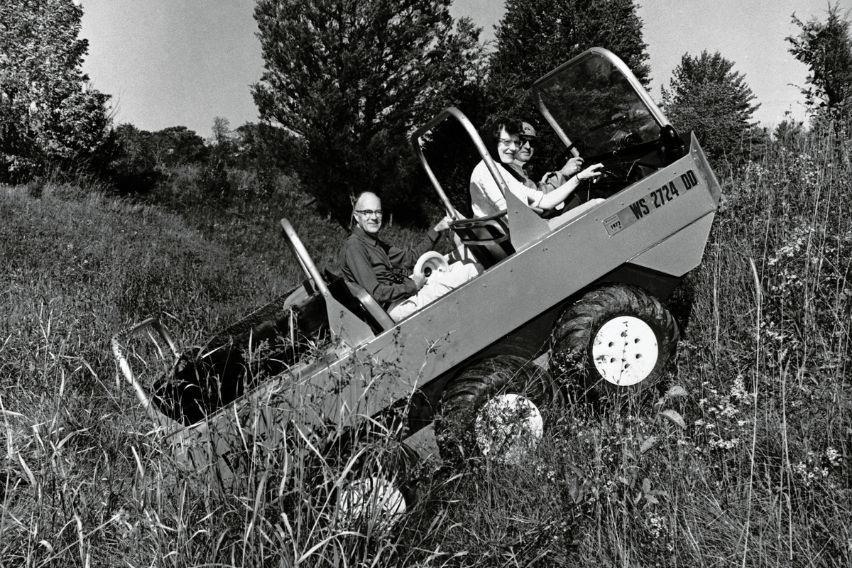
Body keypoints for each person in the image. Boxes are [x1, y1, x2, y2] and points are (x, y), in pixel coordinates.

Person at [339, 191, 480, 322]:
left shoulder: (372, 242)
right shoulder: (355, 246)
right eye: (367, 212)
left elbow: (409, 258)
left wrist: (437, 229)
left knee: (460, 265)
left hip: (400, 294)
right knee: (471, 270)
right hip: (391, 309)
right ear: (357, 216)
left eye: (378, 212)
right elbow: (376, 293)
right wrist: (413, 285)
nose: (374, 217)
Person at [469, 118, 603, 218]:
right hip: (533, 235)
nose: (514, 148)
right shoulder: (489, 173)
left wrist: (579, 177)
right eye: (506, 142)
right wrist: (562, 174)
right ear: (493, 142)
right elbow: (519, 217)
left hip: (529, 231)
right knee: (598, 202)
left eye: (516, 142)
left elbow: (544, 201)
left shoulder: (498, 170)